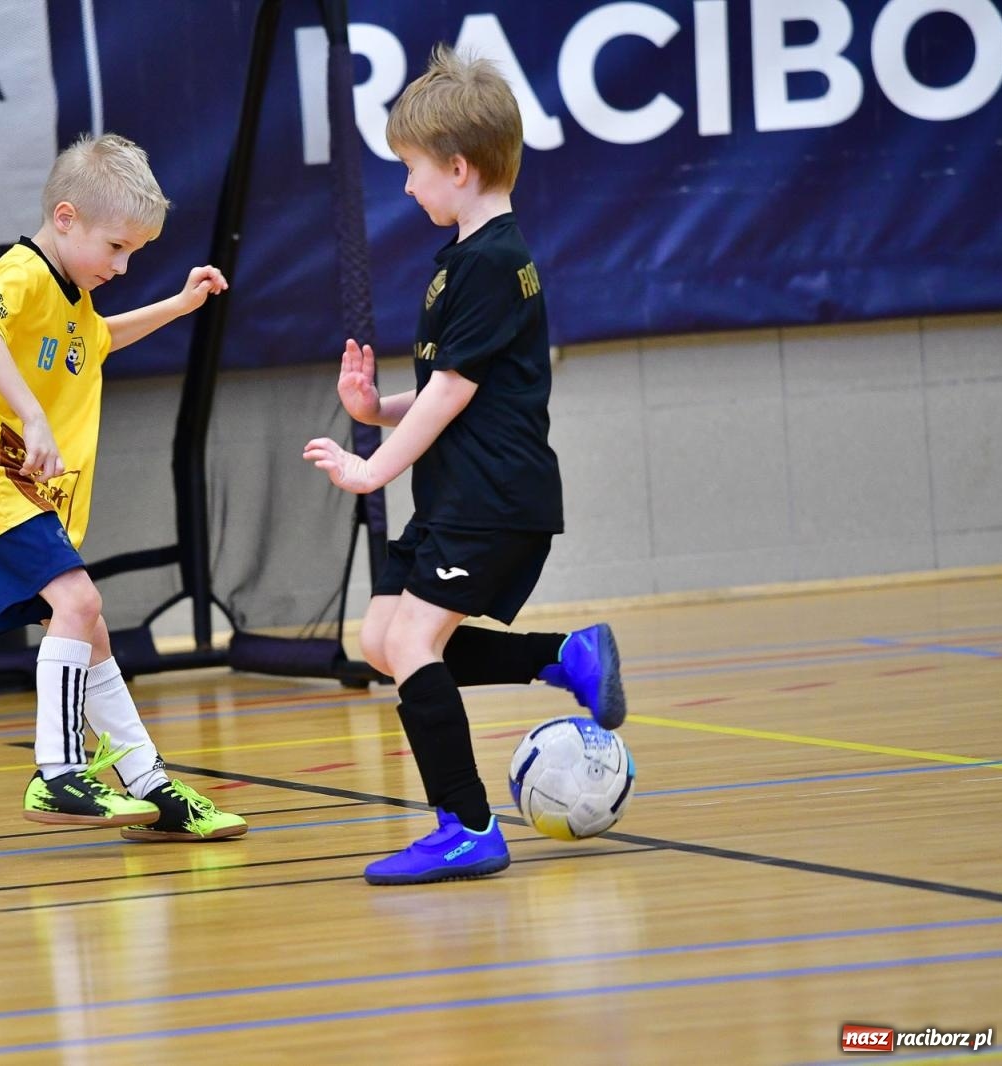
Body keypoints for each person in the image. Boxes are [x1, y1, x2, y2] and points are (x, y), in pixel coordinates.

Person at [302, 47, 626, 885]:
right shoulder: (473, 257)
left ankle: (468, 825)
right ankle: (563, 655)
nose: (407, 187)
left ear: (457, 166)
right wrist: (376, 412)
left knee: (413, 637)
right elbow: (454, 391)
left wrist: (371, 469)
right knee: (381, 639)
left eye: (412, 170)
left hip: (493, 498)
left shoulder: (486, 263)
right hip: (465, 495)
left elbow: (449, 396)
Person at [0, 133, 245, 842]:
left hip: (26, 488)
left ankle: (150, 786)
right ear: (66, 218)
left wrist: (178, 305)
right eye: (116, 247)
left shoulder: (73, 297)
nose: (124, 265)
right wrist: (35, 414)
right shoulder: (22, 273)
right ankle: (57, 770)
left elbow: (98, 339)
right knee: (78, 600)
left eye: (134, 252)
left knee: (89, 627)